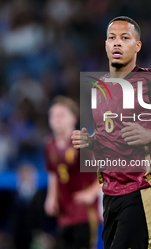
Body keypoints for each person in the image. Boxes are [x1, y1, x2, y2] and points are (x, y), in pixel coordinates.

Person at [71, 16, 151, 249]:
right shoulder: (99, 87)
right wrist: (90, 142)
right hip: (111, 191)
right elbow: (108, 136)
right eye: (112, 38)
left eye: (125, 37)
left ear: (137, 45)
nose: (117, 43)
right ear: (106, 44)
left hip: (144, 187)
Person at [44, 96, 101, 249]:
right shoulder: (50, 145)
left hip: (85, 214)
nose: (57, 119)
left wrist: (91, 192)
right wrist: (51, 197)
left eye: (61, 115)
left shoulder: (83, 143)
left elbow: (108, 171)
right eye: (53, 115)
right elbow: (53, 173)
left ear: (73, 119)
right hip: (63, 214)